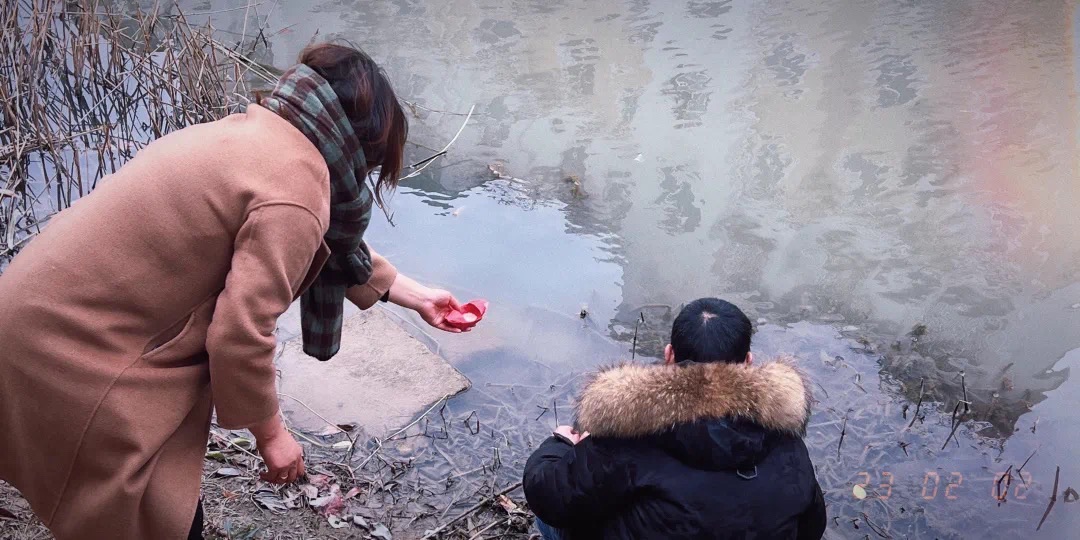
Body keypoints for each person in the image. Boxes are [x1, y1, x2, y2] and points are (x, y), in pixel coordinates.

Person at [0, 43, 469, 539]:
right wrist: (273, 436)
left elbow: (327, 241)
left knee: (154, 506)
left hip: (27, 318)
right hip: (76, 355)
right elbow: (240, 336)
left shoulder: (257, 136)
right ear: (362, 146)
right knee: (158, 518)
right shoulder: (298, 189)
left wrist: (415, 296)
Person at [523, 298, 827, 539]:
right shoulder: (786, 441)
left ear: (669, 356)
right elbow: (812, 527)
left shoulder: (630, 432)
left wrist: (560, 444)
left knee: (559, 515)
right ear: (748, 362)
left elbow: (547, 496)